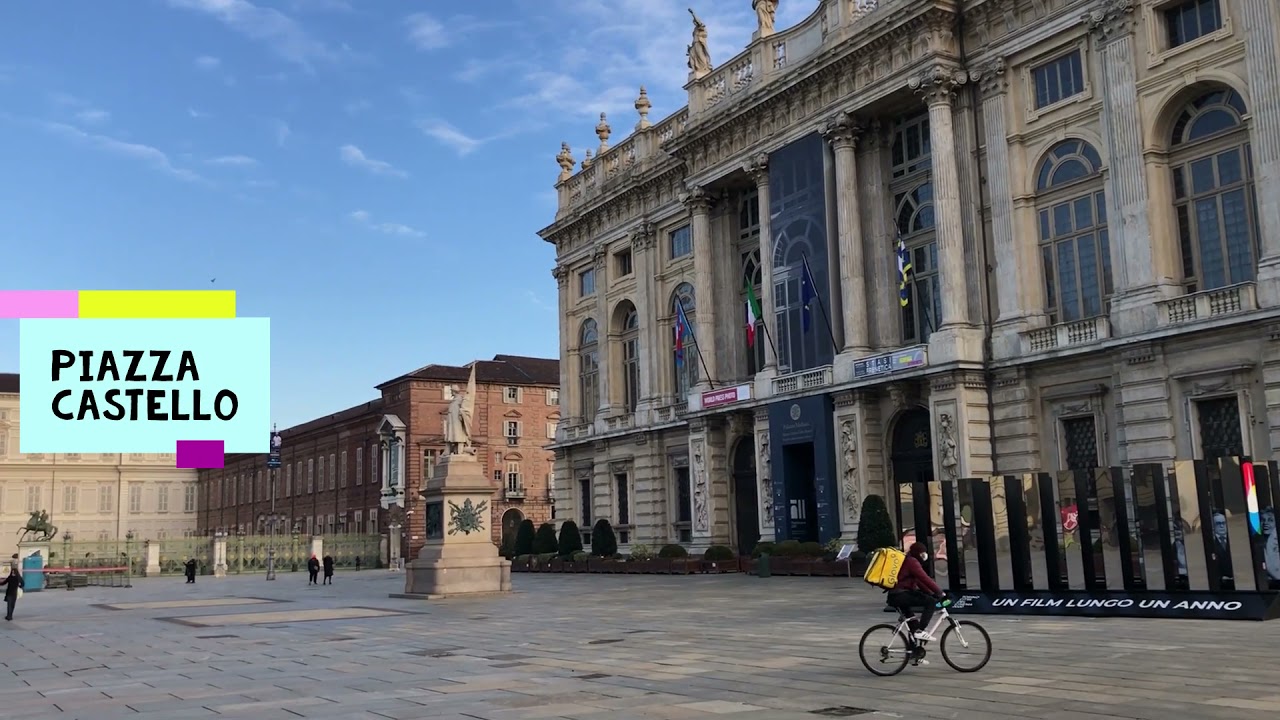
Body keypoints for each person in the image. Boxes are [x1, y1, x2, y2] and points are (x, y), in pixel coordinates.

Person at [887, 542, 946, 644]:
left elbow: (919, 582)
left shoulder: (908, 560)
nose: (924, 555)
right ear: (918, 553)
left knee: (913, 624)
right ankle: (921, 631)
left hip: (896, 595)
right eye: (923, 553)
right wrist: (939, 592)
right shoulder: (912, 562)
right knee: (930, 602)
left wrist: (931, 593)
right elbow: (924, 578)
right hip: (901, 595)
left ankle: (915, 654)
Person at [1, 555, 25, 621]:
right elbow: (4, 582)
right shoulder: (10, 577)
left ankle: (10, 615)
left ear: (16, 573)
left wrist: (20, 587)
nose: (13, 573)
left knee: (12, 605)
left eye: (14, 572)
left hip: (14, 593)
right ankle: (9, 616)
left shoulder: (17, 578)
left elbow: (23, 583)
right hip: (9, 593)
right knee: (9, 605)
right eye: (12, 572)